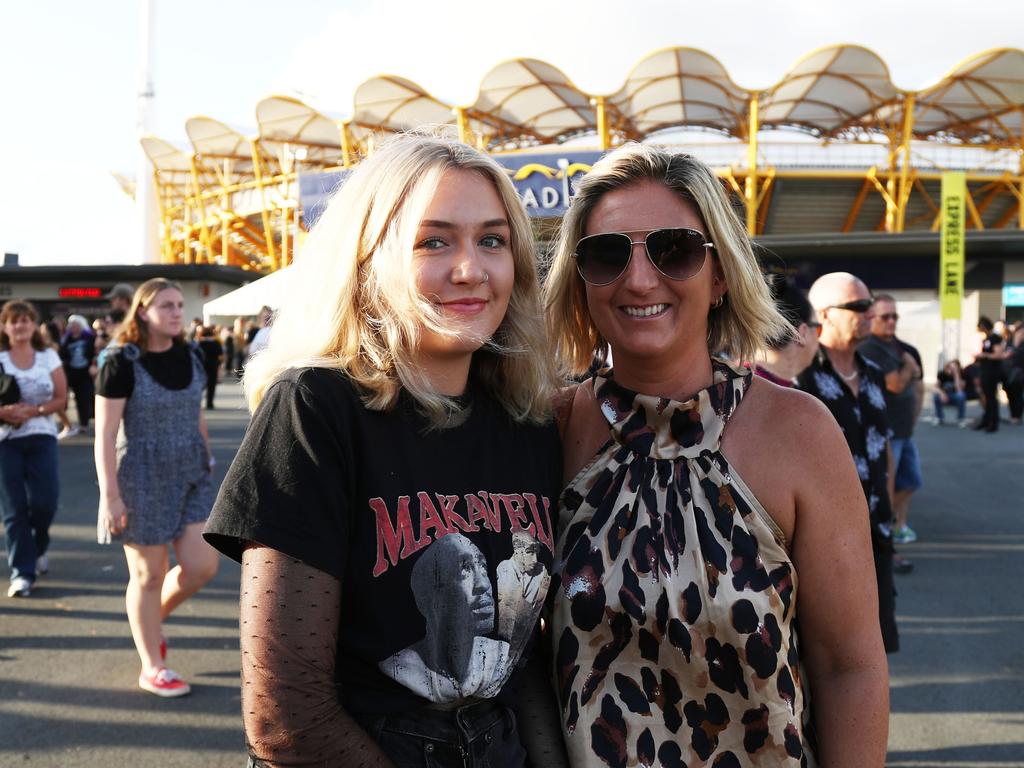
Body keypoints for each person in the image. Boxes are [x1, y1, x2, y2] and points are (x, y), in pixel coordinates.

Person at [203, 134, 564, 767]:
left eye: (492, 239)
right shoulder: (317, 407)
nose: (470, 269)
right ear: (370, 259)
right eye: (433, 241)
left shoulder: (527, 421)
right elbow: (286, 716)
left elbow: (518, 663)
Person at [545, 145, 888, 768]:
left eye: (673, 249)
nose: (640, 278)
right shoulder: (550, 428)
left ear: (722, 271)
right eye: (607, 254)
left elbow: (850, 666)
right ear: (580, 280)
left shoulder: (800, 432)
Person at [94, 278, 219, 697]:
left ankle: (149, 624)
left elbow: (195, 413)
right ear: (142, 312)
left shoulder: (192, 354)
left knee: (202, 566)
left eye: (180, 304)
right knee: (149, 575)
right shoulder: (121, 360)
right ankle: (153, 665)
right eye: (165, 305)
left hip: (191, 471)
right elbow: (106, 434)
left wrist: (206, 456)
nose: (176, 312)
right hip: (141, 475)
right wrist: (110, 495)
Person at [799, 273, 903, 643]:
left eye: (870, 304)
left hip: (876, 531)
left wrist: (887, 508)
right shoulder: (800, 378)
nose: (870, 313)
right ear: (824, 315)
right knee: (832, 650)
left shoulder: (873, 373)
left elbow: (883, 443)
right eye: (858, 306)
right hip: (824, 543)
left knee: (876, 641)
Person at [0, 301, 67, 597]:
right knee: (14, 510)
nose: (20, 325)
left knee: (45, 503)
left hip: (41, 436)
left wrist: (35, 411)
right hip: (5, 441)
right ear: (4, 326)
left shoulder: (47, 356)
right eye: (14, 321)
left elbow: (61, 399)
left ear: (34, 324)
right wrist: (5, 412)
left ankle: (39, 546)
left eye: (26, 320)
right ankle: (22, 573)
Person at [859, 294, 923, 545]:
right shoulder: (870, 348)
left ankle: (894, 524)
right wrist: (909, 366)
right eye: (885, 316)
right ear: (872, 318)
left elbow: (917, 384)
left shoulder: (896, 346)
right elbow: (895, 383)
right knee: (886, 487)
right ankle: (877, 530)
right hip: (885, 432)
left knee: (910, 481)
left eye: (895, 316)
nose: (891, 321)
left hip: (904, 430)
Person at [753, 274, 819, 386]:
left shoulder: (727, 380)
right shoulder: (789, 398)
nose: (819, 340)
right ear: (801, 333)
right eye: (818, 329)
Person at [58, 314, 96, 436]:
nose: (73, 327)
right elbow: (62, 355)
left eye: (76, 325)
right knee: (63, 398)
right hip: (70, 373)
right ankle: (65, 423)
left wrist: (93, 364)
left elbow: (95, 353)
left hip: (84, 373)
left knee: (82, 399)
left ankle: (83, 424)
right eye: (71, 325)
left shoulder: (89, 338)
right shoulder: (66, 340)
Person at [974, 316, 1005, 432]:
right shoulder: (987, 339)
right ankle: (986, 419)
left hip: (992, 371)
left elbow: (998, 355)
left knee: (991, 397)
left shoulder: (995, 338)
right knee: (986, 396)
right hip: (985, 370)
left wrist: (985, 356)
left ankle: (993, 422)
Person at [932, 360, 969, 426]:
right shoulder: (942, 374)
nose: (951, 369)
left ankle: (961, 418)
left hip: (955, 395)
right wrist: (942, 394)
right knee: (936, 396)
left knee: (961, 395)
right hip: (945, 395)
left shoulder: (962, 374)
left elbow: (959, 390)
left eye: (954, 368)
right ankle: (939, 417)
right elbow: (935, 387)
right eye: (950, 367)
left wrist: (956, 374)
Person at [196, 326, 223, 409]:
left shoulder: (199, 343)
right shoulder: (216, 342)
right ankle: (209, 403)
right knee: (211, 385)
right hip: (213, 365)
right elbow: (220, 354)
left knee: (200, 385)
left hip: (202, 366)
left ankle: (197, 403)